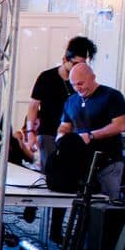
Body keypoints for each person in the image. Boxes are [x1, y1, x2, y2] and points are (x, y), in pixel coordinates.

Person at [56, 60, 125, 197]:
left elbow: (119, 125)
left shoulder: (112, 96)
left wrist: (90, 136)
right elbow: (65, 125)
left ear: (93, 78)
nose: (77, 88)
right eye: (73, 85)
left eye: (81, 83)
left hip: (108, 160)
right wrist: (61, 136)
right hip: (81, 162)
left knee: (107, 206)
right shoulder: (71, 100)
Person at [25, 35, 96, 172]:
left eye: (82, 65)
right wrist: (30, 133)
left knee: (71, 172)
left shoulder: (82, 80)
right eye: (75, 64)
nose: (78, 68)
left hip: (73, 135)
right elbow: (33, 106)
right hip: (48, 132)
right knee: (49, 171)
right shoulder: (47, 77)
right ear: (65, 60)